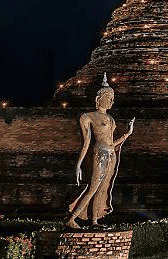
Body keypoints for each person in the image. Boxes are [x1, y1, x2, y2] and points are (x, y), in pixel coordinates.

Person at [65, 74, 134, 229]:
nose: (111, 101)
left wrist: (127, 134)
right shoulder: (88, 117)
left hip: (111, 154)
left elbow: (112, 143)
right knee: (93, 187)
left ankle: (94, 221)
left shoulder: (111, 119)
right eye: (108, 97)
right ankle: (72, 218)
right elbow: (86, 142)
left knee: (103, 189)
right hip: (99, 154)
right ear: (99, 98)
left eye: (112, 98)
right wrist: (78, 165)